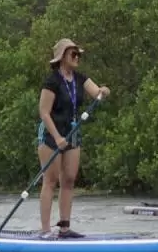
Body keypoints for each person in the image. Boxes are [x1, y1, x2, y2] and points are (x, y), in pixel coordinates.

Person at [36, 38, 110, 239]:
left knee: (68, 180)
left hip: (72, 132)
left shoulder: (79, 78)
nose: (77, 58)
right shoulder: (52, 82)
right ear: (62, 58)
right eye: (73, 54)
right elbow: (44, 112)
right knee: (50, 181)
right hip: (52, 133)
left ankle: (64, 228)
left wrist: (103, 91)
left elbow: (97, 93)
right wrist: (57, 137)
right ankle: (45, 230)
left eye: (79, 55)